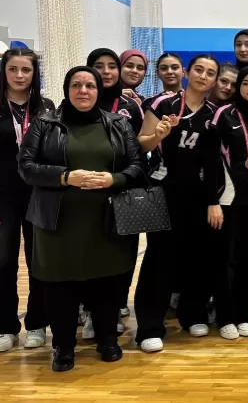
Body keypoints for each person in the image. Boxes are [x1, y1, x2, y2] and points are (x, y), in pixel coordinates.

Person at [17, 66, 145, 372]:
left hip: (107, 219)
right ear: (66, 88)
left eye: (90, 85)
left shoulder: (118, 124)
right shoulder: (45, 123)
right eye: (76, 85)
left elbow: (138, 166)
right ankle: (63, 346)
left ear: (99, 90)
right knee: (60, 287)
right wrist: (65, 177)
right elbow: (26, 166)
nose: (83, 91)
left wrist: (113, 179)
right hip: (57, 222)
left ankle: (107, 340)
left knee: (107, 282)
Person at [134, 55, 221, 353]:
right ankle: (149, 326)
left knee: (196, 255)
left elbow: (212, 163)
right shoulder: (163, 105)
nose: (203, 76)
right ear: (187, 73)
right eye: (199, 70)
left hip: (195, 194)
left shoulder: (214, 114)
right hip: (162, 190)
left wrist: (213, 201)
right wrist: (157, 135)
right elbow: (140, 143)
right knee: (160, 257)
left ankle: (193, 314)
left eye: (210, 73)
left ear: (214, 80)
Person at [206, 66, 248, 340]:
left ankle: (244, 314)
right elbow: (208, 160)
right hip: (227, 199)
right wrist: (212, 200)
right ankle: (225, 316)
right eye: (246, 84)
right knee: (225, 260)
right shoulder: (224, 114)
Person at [86, 48, 144, 332]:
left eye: (111, 66)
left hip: (122, 187)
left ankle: (116, 304)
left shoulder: (130, 107)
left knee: (123, 250)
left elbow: (137, 152)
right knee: (90, 250)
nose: (106, 71)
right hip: (86, 190)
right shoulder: (79, 101)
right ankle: (89, 310)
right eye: (99, 65)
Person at [0, 48, 54, 353]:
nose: (20, 76)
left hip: (38, 194)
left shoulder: (45, 107)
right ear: (4, 72)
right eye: (13, 69)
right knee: (4, 262)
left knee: (39, 260)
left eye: (26, 70)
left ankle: (37, 323)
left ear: (34, 74)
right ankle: (5, 325)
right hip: (3, 195)